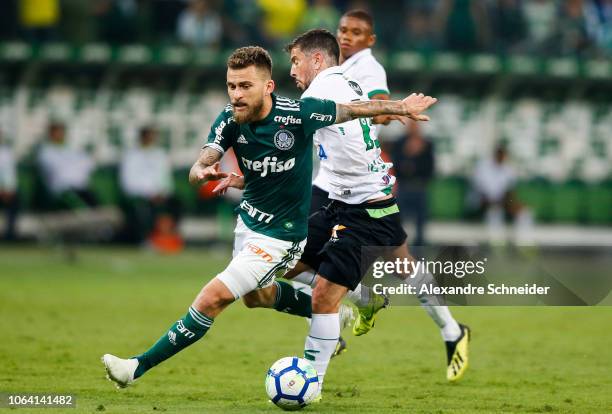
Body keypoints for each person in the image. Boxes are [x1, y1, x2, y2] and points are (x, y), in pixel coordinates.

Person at [102, 45, 436, 389]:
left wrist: (401, 107)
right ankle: (343, 310)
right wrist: (202, 170)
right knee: (256, 297)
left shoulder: (300, 115)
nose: (236, 94)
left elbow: (354, 110)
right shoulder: (229, 118)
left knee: (212, 298)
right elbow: (202, 160)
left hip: (282, 237)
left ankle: (134, 368)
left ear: (268, 87)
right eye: (232, 86)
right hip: (248, 225)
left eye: (245, 86)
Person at [216, 30, 468, 391]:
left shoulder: (321, 92)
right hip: (342, 201)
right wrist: (251, 178)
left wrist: (397, 106)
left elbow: (300, 129)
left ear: (317, 60)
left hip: (368, 208)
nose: (293, 70)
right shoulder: (345, 83)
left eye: (297, 61)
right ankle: (376, 304)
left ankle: (314, 382)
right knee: (287, 261)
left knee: (328, 295)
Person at [119, 126, 179, 244]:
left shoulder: (160, 154)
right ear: (142, 137)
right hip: (140, 195)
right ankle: (145, 239)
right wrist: (148, 193)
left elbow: (166, 178)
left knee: (177, 204)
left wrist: (163, 192)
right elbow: (128, 182)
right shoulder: (131, 156)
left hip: (159, 194)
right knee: (143, 209)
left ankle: (169, 237)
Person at [471, 144, 533, 245]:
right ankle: (497, 245)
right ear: (495, 154)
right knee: (494, 212)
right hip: (481, 203)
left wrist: (512, 204)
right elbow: (482, 195)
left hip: (501, 202)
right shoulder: (482, 167)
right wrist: (499, 203)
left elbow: (510, 193)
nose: (502, 157)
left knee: (525, 213)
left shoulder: (508, 168)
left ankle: (524, 244)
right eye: (500, 154)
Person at [37, 122, 97, 210]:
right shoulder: (45, 152)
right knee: (80, 207)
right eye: (57, 132)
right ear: (50, 134)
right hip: (61, 192)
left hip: (81, 188)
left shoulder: (70, 150)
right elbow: (58, 171)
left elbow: (88, 164)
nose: (59, 135)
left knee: (96, 206)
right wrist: (75, 167)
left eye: (61, 132)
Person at [392, 121, 435, 246]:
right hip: (404, 186)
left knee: (421, 220)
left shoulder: (426, 143)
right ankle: (399, 245)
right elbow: (396, 164)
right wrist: (408, 153)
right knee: (400, 218)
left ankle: (420, 244)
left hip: (420, 186)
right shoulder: (400, 143)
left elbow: (430, 166)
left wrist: (418, 155)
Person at [0, 131, 18, 241]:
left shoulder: (5, 153)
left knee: (15, 199)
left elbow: (10, 178)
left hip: (5, 192)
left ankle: (9, 235)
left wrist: (8, 190)